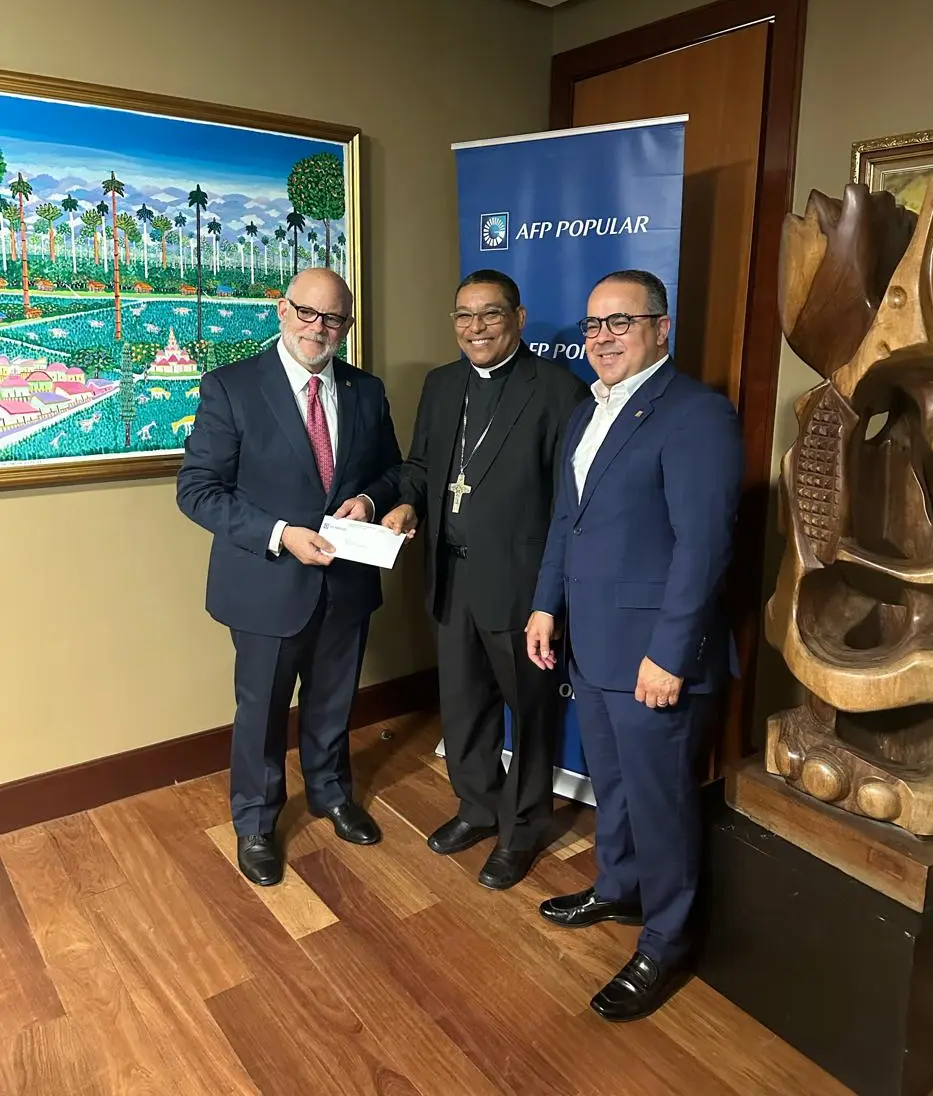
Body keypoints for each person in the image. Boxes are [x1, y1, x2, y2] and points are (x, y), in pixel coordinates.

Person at [526, 268, 743, 1021]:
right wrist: (545, 606)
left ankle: (667, 940)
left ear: (661, 328)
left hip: (654, 657)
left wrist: (670, 654)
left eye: (621, 322)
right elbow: (567, 522)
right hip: (592, 644)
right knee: (614, 787)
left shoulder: (696, 414)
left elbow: (703, 548)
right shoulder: (589, 411)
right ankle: (619, 889)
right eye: (594, 324)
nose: (603, 337)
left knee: (661, 803)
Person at [176, 267, 403, 886]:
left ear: (346, 326)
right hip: (266, 584)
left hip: (347, 583)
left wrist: (372, 502)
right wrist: (281, 534)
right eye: (307, 312)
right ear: (282, 310)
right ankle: (255, 821)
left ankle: (331, 792)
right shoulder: (232, 387)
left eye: (333, 318)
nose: (318, 327)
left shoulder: (365, 390)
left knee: (333, 702)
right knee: (262, 712)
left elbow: (392, 471)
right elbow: (197, 490)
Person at [383, 269, 590, 890]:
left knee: (530, 713)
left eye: (490, 314)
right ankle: (477, 806)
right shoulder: (441, 384)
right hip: (450, 574)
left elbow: (570, 504)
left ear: (518, 319)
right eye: (464, 316)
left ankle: (522, 829)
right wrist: (408, 504)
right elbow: (421, 465)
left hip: (521, 586)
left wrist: (551, 596)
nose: (475, 328)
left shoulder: (558, 389)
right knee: (464, 704)